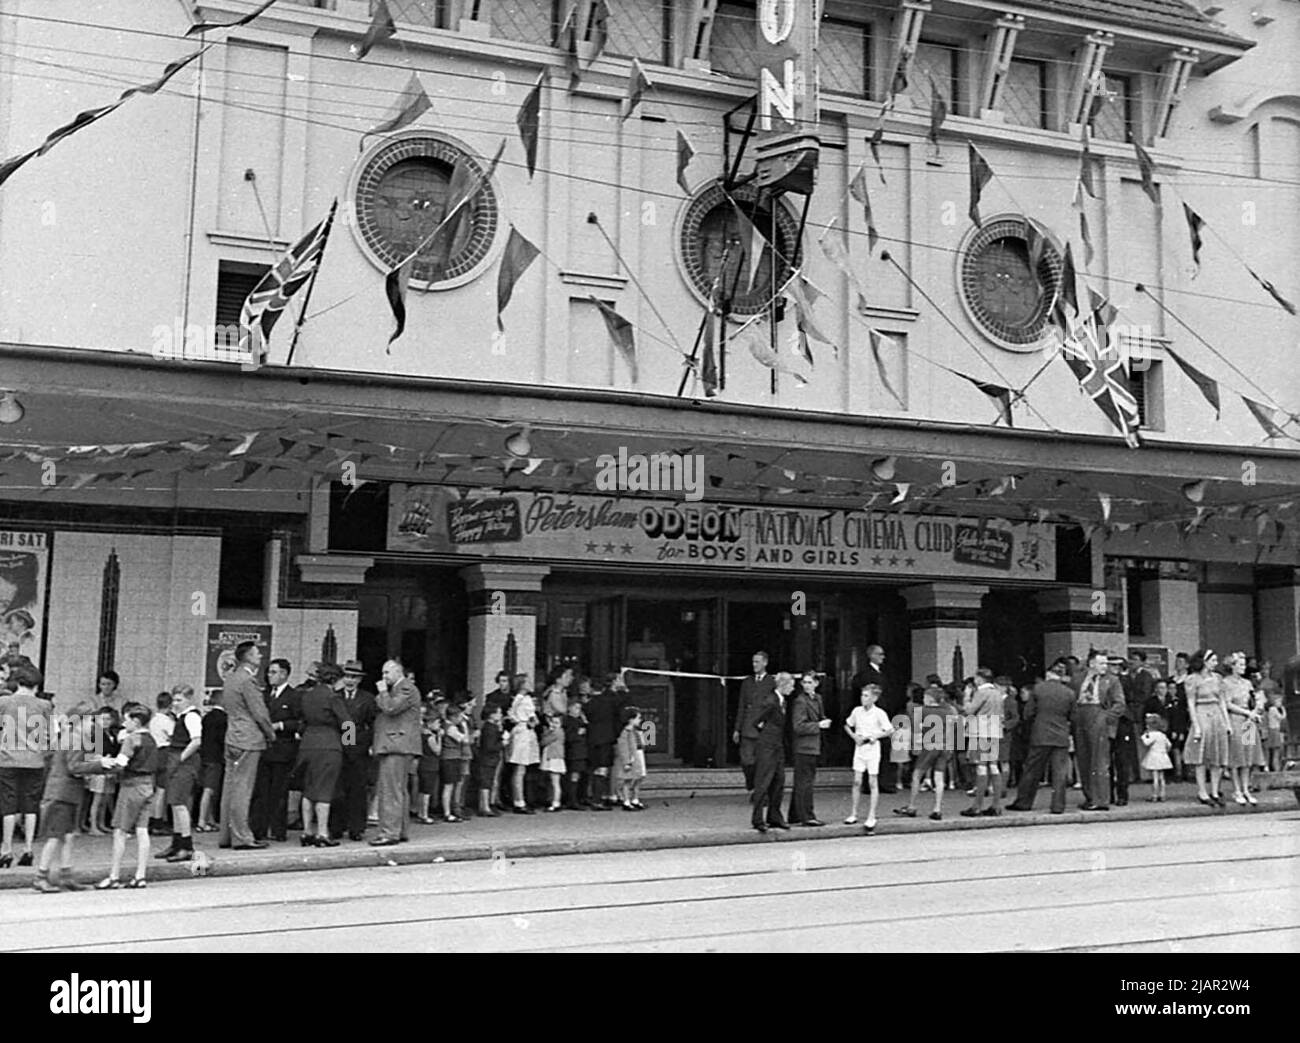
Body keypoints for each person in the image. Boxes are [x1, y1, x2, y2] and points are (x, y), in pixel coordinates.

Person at [32, 699, 115, 892]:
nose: (93, 725)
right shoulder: (75, 739)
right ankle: (41, 876)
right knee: (55, 836)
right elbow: (74, 767)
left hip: (65, 793)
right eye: (90, 721)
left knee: (67, 836)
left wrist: (99, 761)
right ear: (81, 721)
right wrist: (100, 764)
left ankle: (65, 875)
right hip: (61, 794)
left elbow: (75, 761)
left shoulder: (72, 737)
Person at [218, 641, 276, 851]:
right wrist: (270, 734)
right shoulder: (248, 681)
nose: (260, 656)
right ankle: (242, 837)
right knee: (243, 789)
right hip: (249, 738)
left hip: (232, 736)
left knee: (230, 787)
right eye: (257, 653)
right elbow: (259, 712)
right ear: (248, 657)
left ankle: (226, 834)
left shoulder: (230, 679)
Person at [96, 705, 158, 889]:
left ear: (136, 721)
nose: (124, 723)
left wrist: (104, 766)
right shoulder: (151, 740)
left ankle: (114, 876)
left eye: (127, 719)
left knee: (120, 831)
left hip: (131, 786)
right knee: (142, 830)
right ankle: (140, 875)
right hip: (148, 785)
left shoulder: (132, 739)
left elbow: (121, 764)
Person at [1007, 659, 1077, 815]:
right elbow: (1074, 716)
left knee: (1032, 770)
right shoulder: (1069, 692)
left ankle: (1024, 802)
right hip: (1061, 735)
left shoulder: (1038, 689)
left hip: (1041, 734)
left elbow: (1028, 713)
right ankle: (1058, 806)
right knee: (1059, 773)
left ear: (1048, 674)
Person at [0, 663, 51, 869]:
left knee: (8, 804)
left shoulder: (4, 702)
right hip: (35, 761)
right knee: (31, 804)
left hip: (8, 759)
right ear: (36, 685)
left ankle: (6, 849)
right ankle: (28, 849)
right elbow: (49, 734)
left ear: (17, 682)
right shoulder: (45, 705)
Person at [295, 662, 350, 846]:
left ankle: (306, 832)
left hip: (307, 744)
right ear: (335, 679)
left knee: (308, 789)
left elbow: (301, 720)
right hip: (329, 745)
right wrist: (349, 745)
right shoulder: (333, 697)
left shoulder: (307, 696)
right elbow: (347, 723)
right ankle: (322, 833)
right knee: (325, 790)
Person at [369, 659, 422, 846]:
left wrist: (382, 692)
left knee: (390, 791)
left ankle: (389, 833)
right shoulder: (399, 689)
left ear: (398, 672)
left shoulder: (405, 688)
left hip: (395, 745)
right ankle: (399, 830)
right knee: (398, 790)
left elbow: (390, 708)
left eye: (386, 673)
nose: (383, 677)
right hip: (393, 744)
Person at [251, 657, 301, 843]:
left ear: (284, 674)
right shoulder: (264, 694)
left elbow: (348, 722)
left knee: (279, 791)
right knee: (261, 791)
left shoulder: (295, 696)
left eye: (273, 672)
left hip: (283, 748)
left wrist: (350, 744)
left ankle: (277, 829)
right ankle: (260, 828)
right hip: (264, 748)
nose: (269, 676)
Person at [895, 680, 958, 821]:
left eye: (924, 697)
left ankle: (912, 806)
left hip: (929, 746)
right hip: (944, 746)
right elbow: (953, 729)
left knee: (917, 775)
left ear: (929, 698)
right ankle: (937, 808)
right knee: (939, 777)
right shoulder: (949, 711)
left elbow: (917, 732)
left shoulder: (921, 711)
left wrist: (915, 748)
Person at [1073, 649, 1125, 811]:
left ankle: (1101, 799)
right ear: (1091, 664)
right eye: (1101, 663)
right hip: (1081, 718)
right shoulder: (1078, 679)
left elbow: (1120, 703)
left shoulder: (1112, 680)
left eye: (1106, 663)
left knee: (1099, 760)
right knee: (1083, 758)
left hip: (1098, 717)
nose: (1105, 666)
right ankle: (1089, 796)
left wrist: (1105, 717)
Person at [156, 684, 202, 862]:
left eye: (179, 700)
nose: (175, 703)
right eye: (174, 700)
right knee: (174, 802)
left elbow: (196, 740)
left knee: (179, 803)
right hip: (177, 759)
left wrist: (181, 758)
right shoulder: (181, 717)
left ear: (189, 699)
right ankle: (176, 843)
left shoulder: (191, 717)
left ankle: (186, 845)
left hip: (184, 761)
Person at [332, 660, 376, 841]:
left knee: (357, 789)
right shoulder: (335, 697)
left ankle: (356, 828)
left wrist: (367, 743)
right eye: (347, 677)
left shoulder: (367, 699)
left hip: (359, 748)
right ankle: (336, 826)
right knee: (338, 789)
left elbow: (373, 723)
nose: (350, 681)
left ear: (359, 680)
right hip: (338, 747)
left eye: (354, 677)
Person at [1183, 649, 1230, 807]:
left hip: (1216, 714)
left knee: (1217, 757)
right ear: (1204, 661)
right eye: (1213, 660)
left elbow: (1222, 701)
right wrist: (1196, 726)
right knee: (1200, 757)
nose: (1215, 663)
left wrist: (1227, 722)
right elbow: (1191, 703)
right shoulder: (1192, 679)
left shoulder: (1218, 678)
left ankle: (1215, 791)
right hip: (1202, 714)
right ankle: (1202, 791)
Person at [844, 683, 891, 833]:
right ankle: (853, 813)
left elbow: (889, 730)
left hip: (872, 749)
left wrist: (876, 735)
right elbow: (847, 724)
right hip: (859, 748)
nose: (863, 698)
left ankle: (872, 815)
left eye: (866, 696)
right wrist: (854, 737)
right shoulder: (857, 711)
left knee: (872, 782)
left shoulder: (879, 713)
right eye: (862, 695)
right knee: (857, 781)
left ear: (874, 698)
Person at [788, 671, 830, 827]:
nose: (806, 685)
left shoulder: (818, 698)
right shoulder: (800, 701)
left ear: (816, 684)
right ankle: (807, 815)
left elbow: (820, 715)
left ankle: (795, 814)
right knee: (805, 782)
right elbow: (798, 726)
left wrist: (823, 721)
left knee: (804, 780)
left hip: (814, 744)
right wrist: (818, 725)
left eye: (809, 682)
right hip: (804, 746)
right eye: (804, 682)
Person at [852, 645, 897, 791]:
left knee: (881, 749)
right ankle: (870, 784)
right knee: (869, 748)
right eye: (880, 654)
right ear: (871, 655)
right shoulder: (866, 674)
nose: (882, 657)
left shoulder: (881, 673)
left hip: (881, 714)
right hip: (872, 716)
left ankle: (881, 782)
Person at [961, 669, 1004, 817]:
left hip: (980, 731)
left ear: (980, 679)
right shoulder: (997, 693)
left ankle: (977, 806)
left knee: (981, 766)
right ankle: (996, 804)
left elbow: (969, 710)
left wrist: (966, 697)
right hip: (994, 730)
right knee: (993, 765)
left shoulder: (981, 692)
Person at [1222, 651, 1262, 806]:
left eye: (1244, 664)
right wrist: (1246, 712)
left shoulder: (1247, 683)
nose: (1243, 667)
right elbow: (1228, 703)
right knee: (1236, 757)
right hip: (1236, 719)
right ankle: (1236, 789)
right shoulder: (1226, 683)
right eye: (1240, 664)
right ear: (1232, 666)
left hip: (1248, 721)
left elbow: (1253, 699)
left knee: (1248, 756)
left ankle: (1246, 789)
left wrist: (1257, 708)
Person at [733, 652, 774, 792]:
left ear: (765, 663)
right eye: (753, 662)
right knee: (747, 761)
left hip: (764, 729)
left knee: (763, 763)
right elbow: (741, 706)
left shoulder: (771, 682)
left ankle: (761, 792)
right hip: (748, 728)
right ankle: (752, 783)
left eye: (757, 662)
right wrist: (737, 729)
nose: (754, 665)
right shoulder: (747, 682)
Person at [586, 672, 622, 810]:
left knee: (595, 768)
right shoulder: (611, 701)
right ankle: (597, 799)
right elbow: (618, 718)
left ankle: (595, 797)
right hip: (606, 738)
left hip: (592, 737)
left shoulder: (590, 703)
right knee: (603, 769)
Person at [507, 677, 540, 814]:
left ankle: (520, 799)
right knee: (520, 768)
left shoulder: (518, 699)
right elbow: (532, 719)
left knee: (521, 769)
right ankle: (519, 801)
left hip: (522, 732)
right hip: (524, 733)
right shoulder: (524, 699)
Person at [197, 691, 226, 832]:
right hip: (215, 757)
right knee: (209, 790)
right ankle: (202, 821)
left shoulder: (206, 717)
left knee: (207, 788)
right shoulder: (223, 719)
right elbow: (222, 739)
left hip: (204, 756)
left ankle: (210, 819)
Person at [146, 690, 174, 835]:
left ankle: (152, 819)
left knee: (155, 789)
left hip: (154, 753)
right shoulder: (166, 721)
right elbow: (173, 737)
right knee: (161, 790)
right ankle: (158, 821)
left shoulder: (153, 719)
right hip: (164, 752)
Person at [440, 698, 471, 823]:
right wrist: (464, 726)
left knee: (451, 786)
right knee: (448, 786)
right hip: (450, 758)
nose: (460, 719)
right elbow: (464, 740)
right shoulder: (451, 728)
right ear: (453, 717)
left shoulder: (447, 725)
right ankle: (447, 812)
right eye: (459, 717)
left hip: (452, 758)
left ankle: (449, 810)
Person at [616, 705, 647, 811]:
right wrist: (626, 761)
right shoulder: (626, 732)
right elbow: (623, 747)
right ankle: (626, 800)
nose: (640, 720)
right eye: (638, 718)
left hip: (638, 754)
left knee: (640, 776)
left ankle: (635, 799)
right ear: (631, 720)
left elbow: (641, 744)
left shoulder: (635, 731)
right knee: (627, 779)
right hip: (631, 757)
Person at [416, 700, 443, 823]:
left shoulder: (422, 735)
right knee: (427, 791)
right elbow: (437, 750)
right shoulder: (431, 737)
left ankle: (421, 812)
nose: (439, 725)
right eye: (437, 722)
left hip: (423, 764)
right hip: (430, 765)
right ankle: (424, 814)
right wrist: (440, 738)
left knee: (422, 790)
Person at [477, 704, 504, 817]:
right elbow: (489, 746)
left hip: (490, 758)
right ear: (492, 715)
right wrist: (502, 743)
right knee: (486, 782)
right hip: (488, 758)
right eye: (499, 713)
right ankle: (485, 807)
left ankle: (486, 805)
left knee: (488, 781)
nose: (501, 715)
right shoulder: (489, 728)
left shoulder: (491, 727)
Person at [563, 696, 590, 811]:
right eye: (576, 708)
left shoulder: (580, 720)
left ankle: (580, 797)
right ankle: (572, 800)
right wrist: (578, 733)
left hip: (582, 751)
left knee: (582, 776)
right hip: (574, 752)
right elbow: (568, 737)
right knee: (574, 776)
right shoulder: (568, 720)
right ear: (570, 708)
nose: (578, 710)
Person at [1139, 713, 1172, 803]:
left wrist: (1144, 736)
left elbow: (1147, 743)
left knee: (1155, 777)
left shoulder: (1152, 735)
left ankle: (1154, 795)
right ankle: (1163, 794)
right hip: (1162, 755)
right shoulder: (1162, 735)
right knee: (1162, 777)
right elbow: (1169, 745)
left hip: (1154, 756)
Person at [1265, 691, 1288, 773]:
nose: (1280, 703)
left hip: (1275, 730)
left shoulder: (1272, 709)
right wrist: (1283, 709)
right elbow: (1282, 717)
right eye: (1279, 701)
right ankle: (1275, 769)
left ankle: (1275, 767)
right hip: (1274, 730)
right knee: (1276, 751)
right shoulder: (1273, 709)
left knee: (1276, 751)